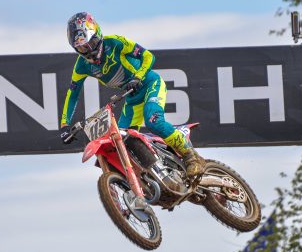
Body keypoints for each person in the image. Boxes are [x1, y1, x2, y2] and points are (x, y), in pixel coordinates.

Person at [59, 12, 205, 178]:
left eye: (90, 44)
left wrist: (138, 77)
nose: (88, 51)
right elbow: (73, 94)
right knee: (121, 141)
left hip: (150, 84)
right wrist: (64, 125)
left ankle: (191, 156)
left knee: (153, 121)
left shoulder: (115, 42)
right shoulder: (81, 66)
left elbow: (148, 56)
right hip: (132, 97)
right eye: (81, 48)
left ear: (97, 36)